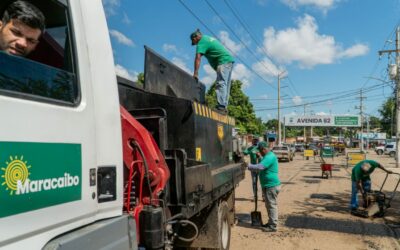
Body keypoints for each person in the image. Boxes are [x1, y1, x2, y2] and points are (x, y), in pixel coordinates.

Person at [190, 29, 234, 112]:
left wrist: (195, 73)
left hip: (223, 61)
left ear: (195, 38)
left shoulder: (201, 42)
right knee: (225, 84)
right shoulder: (207, 38)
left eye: (194, 42)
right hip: (228, 61)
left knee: (220, 83)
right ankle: (224, 106)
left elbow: (198, 58)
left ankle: (221, 106)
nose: (195, 44)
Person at [248, 141, 281, 232]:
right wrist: (260, 157)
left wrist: (249, 165)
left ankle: (273, 226)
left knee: (271, 205)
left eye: (260, 150)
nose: (260, 152)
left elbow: (260, 167)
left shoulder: (270, 156)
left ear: (264, 149)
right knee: (268, 205)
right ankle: (271, 223)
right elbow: (263, 162)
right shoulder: (267, 156)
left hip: (271, 185)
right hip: (267, 185)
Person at [243, 136, 261, 201]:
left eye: (256, 140)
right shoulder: (250, 148)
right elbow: (244, 152)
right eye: (254, 140)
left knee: (262, 182)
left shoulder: (260, 148)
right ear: (252, 141)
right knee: (254, 182)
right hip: (253, 168)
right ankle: (255, 196)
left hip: (261, 168)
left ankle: (264, 196)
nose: (255, 141)